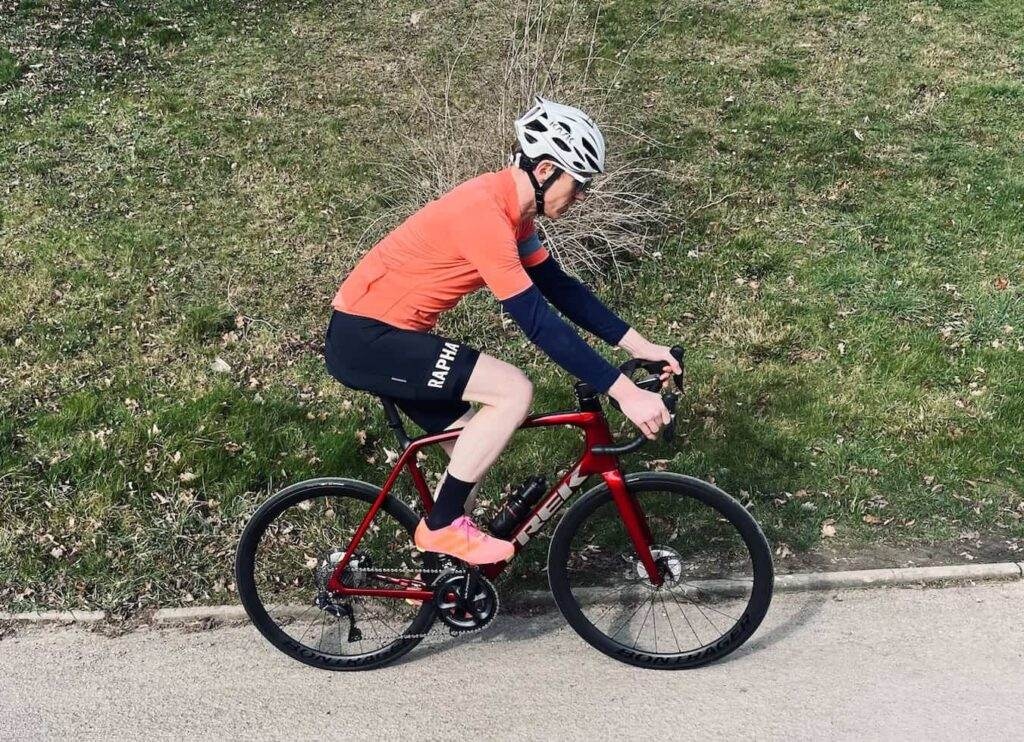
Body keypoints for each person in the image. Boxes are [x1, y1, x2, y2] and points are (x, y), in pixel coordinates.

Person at [324, 96, 680, 565]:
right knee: (513, 390)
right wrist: (625, 392)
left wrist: (642, 346)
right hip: (368, 338)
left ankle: (440, 581)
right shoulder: (484, 215)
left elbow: (559, 289)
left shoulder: (515, 216)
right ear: (547, 170)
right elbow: (537, 322)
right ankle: (442, 528)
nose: (582, 197)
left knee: (470, 452)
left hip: (384, 336)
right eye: (579, 183)